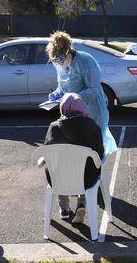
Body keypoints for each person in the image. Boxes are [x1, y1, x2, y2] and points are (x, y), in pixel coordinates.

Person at [46, 31, 117, 155]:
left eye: (60, 59)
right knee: (76, 147)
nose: (58, 63)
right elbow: (63, 85)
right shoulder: (60, 64)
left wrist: (73, 99)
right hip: (72, 113)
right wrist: (57, 94)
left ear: (68, 51)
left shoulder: (85, 62)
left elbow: (93, 89)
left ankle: (95, 171)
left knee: (93, 146)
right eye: (55, 60)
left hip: (93, 110)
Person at [44, 93, 104, 223]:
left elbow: (46, 151)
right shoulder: (94, 127)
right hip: (86, 179)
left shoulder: (54, 127)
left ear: (63, 107)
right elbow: (100, 153)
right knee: (86, 166)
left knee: (58, 168)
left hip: (59, 179)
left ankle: (64, 209)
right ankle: (81, 203)